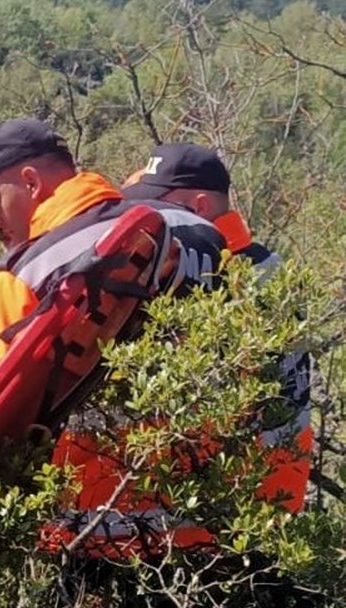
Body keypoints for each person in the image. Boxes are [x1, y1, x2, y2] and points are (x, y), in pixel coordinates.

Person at [0, 119, 225, 511]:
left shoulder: (29, 271)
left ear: (30, 182)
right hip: (206, 501)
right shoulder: (178, 234)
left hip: (84, 511)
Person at [119, 143, 311, 511]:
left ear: (202, 206)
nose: (151, 212)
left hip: (244, 509)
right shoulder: (256, 266)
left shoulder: (248, 276)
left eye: (162, 201)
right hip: (247, 503)